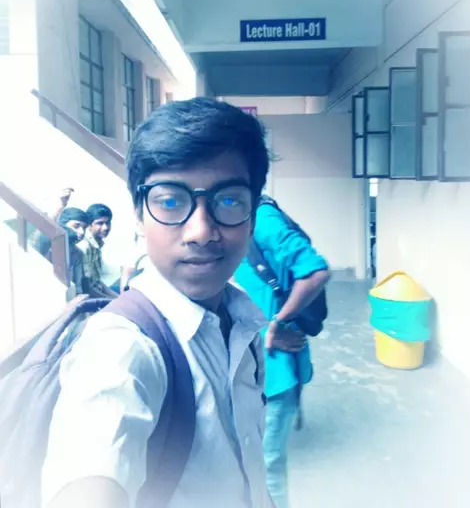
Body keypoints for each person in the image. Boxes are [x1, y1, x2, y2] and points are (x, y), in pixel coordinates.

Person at [42, 97, 273, 508]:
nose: (201, 231)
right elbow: (91, 461)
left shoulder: (242, 322)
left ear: (253, 215)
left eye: (228, 201)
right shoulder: (121, 346)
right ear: (138, 214)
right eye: (170, 201)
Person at [234, 200, 330, 508]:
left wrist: (276, 324)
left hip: (274, 370)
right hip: (240, 366)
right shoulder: (222, 219)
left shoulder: (262, 217)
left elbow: (315, 272)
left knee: (267, 464)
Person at [77, 203, 115, 297]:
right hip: (90, 297)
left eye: (108, 222)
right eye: (100, 223)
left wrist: (116, 297)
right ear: (89, 225)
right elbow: (87, 287)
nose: (106, 228)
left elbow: (96, 281)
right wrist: (111, 300)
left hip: (99, 291)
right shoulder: (85, 246)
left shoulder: (96, 244)